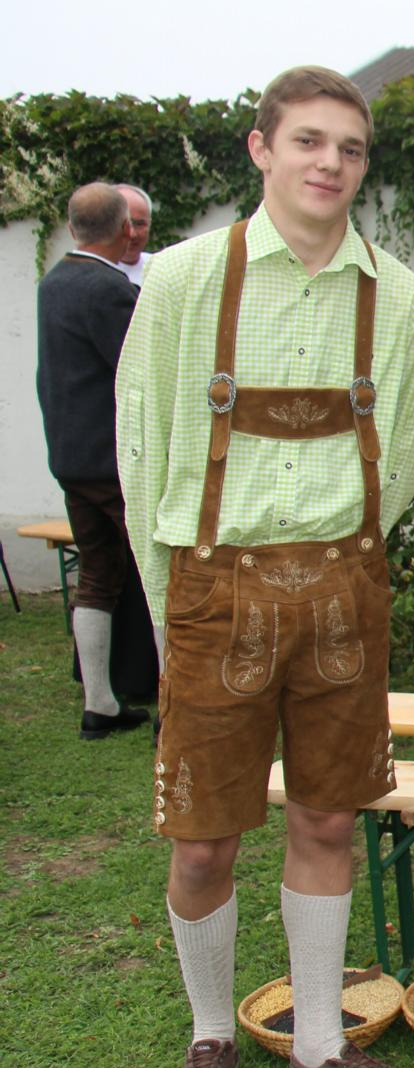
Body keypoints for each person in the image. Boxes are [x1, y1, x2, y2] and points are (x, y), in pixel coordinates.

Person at [116, 65, 414, 1068]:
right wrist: (169, 600)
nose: (329, 164)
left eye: (349, 148)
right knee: (203, 838)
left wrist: (347, 553)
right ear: (261, 149)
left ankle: (318, 1044)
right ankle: (212, 1032)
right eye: (308, 141)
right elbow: (139, 445)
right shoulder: (183, 281)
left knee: (328, 818)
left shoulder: (399, 296)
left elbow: (406, 452)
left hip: (344, 583)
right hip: (215, 583)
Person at [36, 181, 149, 739]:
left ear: (71, 227)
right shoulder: (108, 289)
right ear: (125, 229)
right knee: (158, 576)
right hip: (114, 459)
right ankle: (174, 706)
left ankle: (99, 705)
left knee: (97, 575)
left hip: (70, 456)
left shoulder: (53, 281)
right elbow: (141, 372)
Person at [113, 184, 153, 286]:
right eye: (124, 225)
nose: (132, 234)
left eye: (140, 224)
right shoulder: (95, 273)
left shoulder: (159, 268)